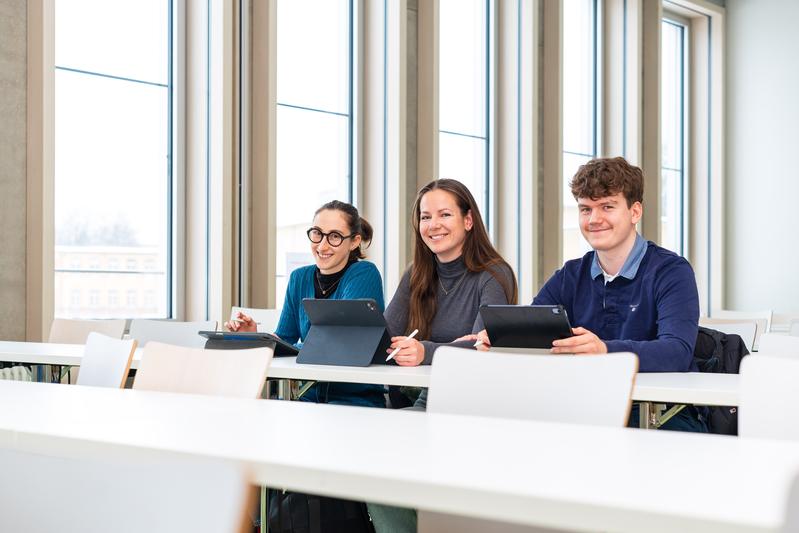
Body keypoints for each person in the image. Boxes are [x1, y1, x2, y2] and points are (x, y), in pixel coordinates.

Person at [475, 156, 706, 432]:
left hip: (662, 413)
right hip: (585, 405)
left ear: (635, 212)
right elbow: (534, 331)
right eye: (585, 209)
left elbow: (677, 351)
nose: (594, 219)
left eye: (607, 207)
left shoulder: (671, 271)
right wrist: (505, 341)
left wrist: (604, 350)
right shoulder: (570, 275)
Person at [367, 178, 518, 533]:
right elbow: (387, 335)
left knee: (386, 460)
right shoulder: (417, 274)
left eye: (445, 214)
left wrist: (425, 349)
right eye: (425, 217)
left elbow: (482, 346)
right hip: (418, 394)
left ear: (468, 221)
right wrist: (439, 349)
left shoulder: (494, 274)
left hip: (470, 402)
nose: (433, 225)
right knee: (374, 465)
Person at [225, 200, 385, 408]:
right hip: (309, 397)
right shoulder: (299, 278)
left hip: (355, 400)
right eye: (317, 233)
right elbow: (286, 338)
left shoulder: (364, 274)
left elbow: (340, 342)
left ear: (354, 242)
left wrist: (287, 347)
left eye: (335, 236)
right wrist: (257, 340)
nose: (322, 245)